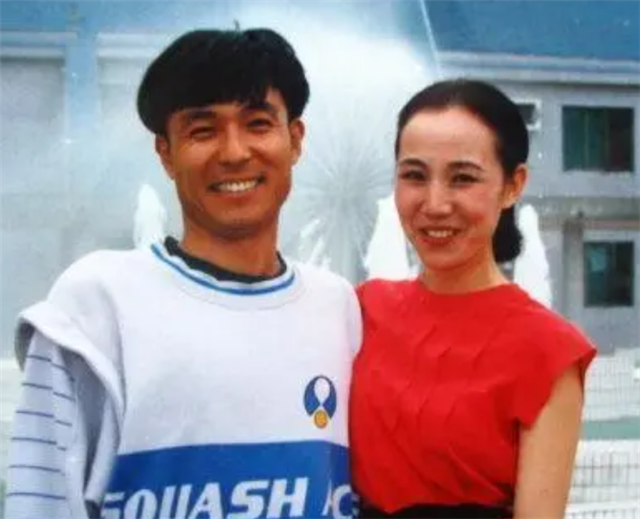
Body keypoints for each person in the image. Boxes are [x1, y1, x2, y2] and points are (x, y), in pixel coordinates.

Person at [6, 28, 361, 519]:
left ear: (295, 140)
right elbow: (39, 500)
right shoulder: (97, 306)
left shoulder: (337, 306)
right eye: (202, 130)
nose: (234, 152)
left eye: (258, 124)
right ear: (165, 153)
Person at [350, 79, 596, 519]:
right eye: (414, 176)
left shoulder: (549, 350)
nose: (435, 204)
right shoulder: (361, 310)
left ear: (513, 185)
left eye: (462, 178)